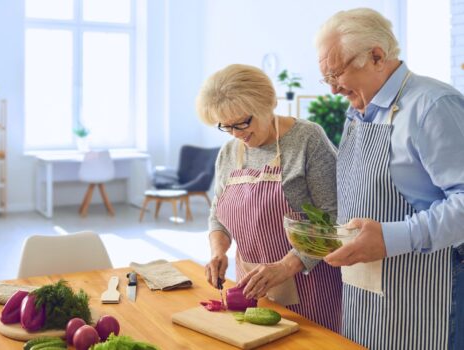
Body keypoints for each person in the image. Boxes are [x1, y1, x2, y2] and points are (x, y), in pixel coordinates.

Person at [314, 8, 464, 350]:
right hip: (364, 292)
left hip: (429, 289)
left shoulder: (432, 105)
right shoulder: (358, 112)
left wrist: (391, 238)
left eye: (336, 74)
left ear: (377, 56)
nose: (334, 89)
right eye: (326, 79)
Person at [196, 63, 343, 332]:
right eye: (227, 127)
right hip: (253, 290)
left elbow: (333, 220)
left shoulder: (307, 139)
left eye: (243, 122)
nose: (237, 134)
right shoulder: (229, 153)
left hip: (310, 289)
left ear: (268, 104)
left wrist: (284, 267)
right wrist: (218, 251)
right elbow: (218, 215)